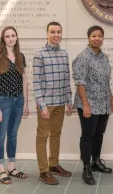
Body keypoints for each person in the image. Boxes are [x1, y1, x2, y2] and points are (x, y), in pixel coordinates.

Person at [72, 25, 113, 185]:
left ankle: (96, 162)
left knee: (99, 134)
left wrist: (111, 99)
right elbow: (80, 83)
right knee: (87, 136)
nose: (97, 38)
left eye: (100, 36)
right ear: (88, 37)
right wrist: (85, 105)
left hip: (103, 103)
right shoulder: (83, 57)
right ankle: (86, 168)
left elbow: (106, 82)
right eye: (94, 36)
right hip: (89, 104)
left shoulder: (104, 57)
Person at [33, 21, 73, 185]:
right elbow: (36, 82)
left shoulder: (64, 53)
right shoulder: (39, 54)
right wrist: (42, 105)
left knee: (56, 134)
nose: (56, 35)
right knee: (43, 136)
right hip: (46, 104)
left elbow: (66, 78)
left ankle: (54, 165)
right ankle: (43, 171)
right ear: (47, 34)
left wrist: (69, 99)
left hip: (60, 102)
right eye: (53, 32)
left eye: (59, 32)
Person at [0, 26, 29, 184]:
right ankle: (1, 169)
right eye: (7, 36)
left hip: (18, 100)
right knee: (1, 136)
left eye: (13, 35)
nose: (11, 38)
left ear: (17, 37)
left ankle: (11, 167)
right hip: (3, 101)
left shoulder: (21, 56)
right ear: (3, 39)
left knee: (13, 134)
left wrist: (25, 102)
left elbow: (25, 80)